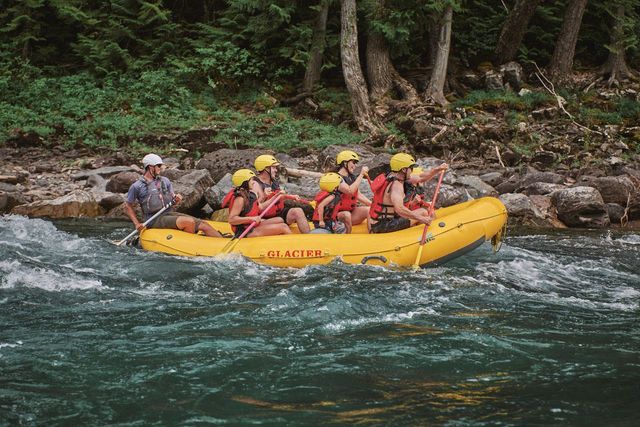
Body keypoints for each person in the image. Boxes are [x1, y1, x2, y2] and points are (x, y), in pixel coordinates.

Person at [125, 153, 222, 237]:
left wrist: (177, 199)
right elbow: (128, 206)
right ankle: (189, 245)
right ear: (150, 167)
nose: (161, 168)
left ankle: (224, 244)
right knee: (189, 222)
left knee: (204, 225)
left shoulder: (165, 181)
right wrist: (137, 224)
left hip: (168, 214)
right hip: (153, 219)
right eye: (158, 166)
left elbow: (173, 199)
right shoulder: (137, 186)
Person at [368, 153, 445, 234]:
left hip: (378, 222)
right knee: (423, 212)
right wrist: (421, 219)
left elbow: (421, 178)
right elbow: (400, 209)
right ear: (404, 170)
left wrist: (438, 169)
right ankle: (434, 234)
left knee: (421, 213)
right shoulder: (396, 186)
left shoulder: (392, 176)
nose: (412, 171)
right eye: (411, 168)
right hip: (384, 225)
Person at [251, 154, 311, 234]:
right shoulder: (255, 184)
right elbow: (254, 207)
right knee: (280, 221)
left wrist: (291, 197)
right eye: (273, 167)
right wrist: (264, 196)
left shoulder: (273, 182)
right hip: (264, 218)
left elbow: (279, 198)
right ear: (265, 168)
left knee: (298, 211)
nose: (276, 170)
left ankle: (309, 238)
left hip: (278, 213)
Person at [224, 169, 291, 237]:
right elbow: (231, 219)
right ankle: (292, 245)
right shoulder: (240, 199)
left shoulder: (250, 194)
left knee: (279, 220)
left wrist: (276, 196)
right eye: (251, 180)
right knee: (284, 227)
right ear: (244, 183)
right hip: (244, 231)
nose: (253, 182)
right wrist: (251, 219)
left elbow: (261, 207)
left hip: (250, 225)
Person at [335, 150, 370, 233]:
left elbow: (358, 195)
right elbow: (350, 191)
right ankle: (347, 237)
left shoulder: (352, 177)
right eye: (353, 162)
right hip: (338, 216)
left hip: (351, 213)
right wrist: (361, 175)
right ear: (344, 163)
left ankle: (372, 233)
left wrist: (374, 205)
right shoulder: (336, 178)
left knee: (370, 209)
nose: (355, 166)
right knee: (346, 215)